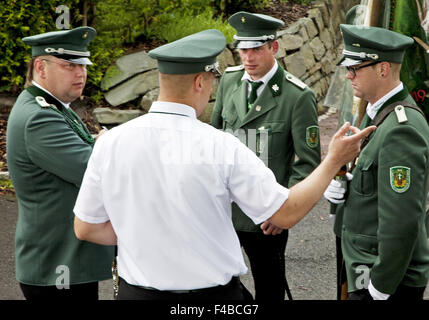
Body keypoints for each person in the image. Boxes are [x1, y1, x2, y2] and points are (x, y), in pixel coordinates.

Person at [73, 28, 374, 301]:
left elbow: (85, 227)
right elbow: (287, 212)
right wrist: (334, 159)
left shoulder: (110, 143)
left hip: (135, 294)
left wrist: (146, 234)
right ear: (200, 81)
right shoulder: (221, 146)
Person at [210, 11, 321, 300]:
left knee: (270, 289)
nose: (248, 57)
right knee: (216, 285)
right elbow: (214, 140)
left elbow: (308, 163)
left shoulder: (298, 96)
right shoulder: (229, 81)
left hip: (266, 218)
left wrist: (283, 208)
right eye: (243, 49)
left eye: (256, 49)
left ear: (274, 47)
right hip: (224, 209)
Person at [6, 27, 114, 300]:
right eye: (69, 65)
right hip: (57, 264)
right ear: (41, 67)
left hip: (64, 260)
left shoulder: (54, 106)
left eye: (83, 65)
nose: (81, 73)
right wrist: (106, 145)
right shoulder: (39, 117)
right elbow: (94, 169)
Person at [324, 24, 429, 300]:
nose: (348, 75)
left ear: (382, 69)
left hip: (384, 278)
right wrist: (349, 184)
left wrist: (380, 288)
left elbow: (402, 221)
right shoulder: (380, 114)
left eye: (355, 69)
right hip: (365, 266)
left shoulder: (401, 128)